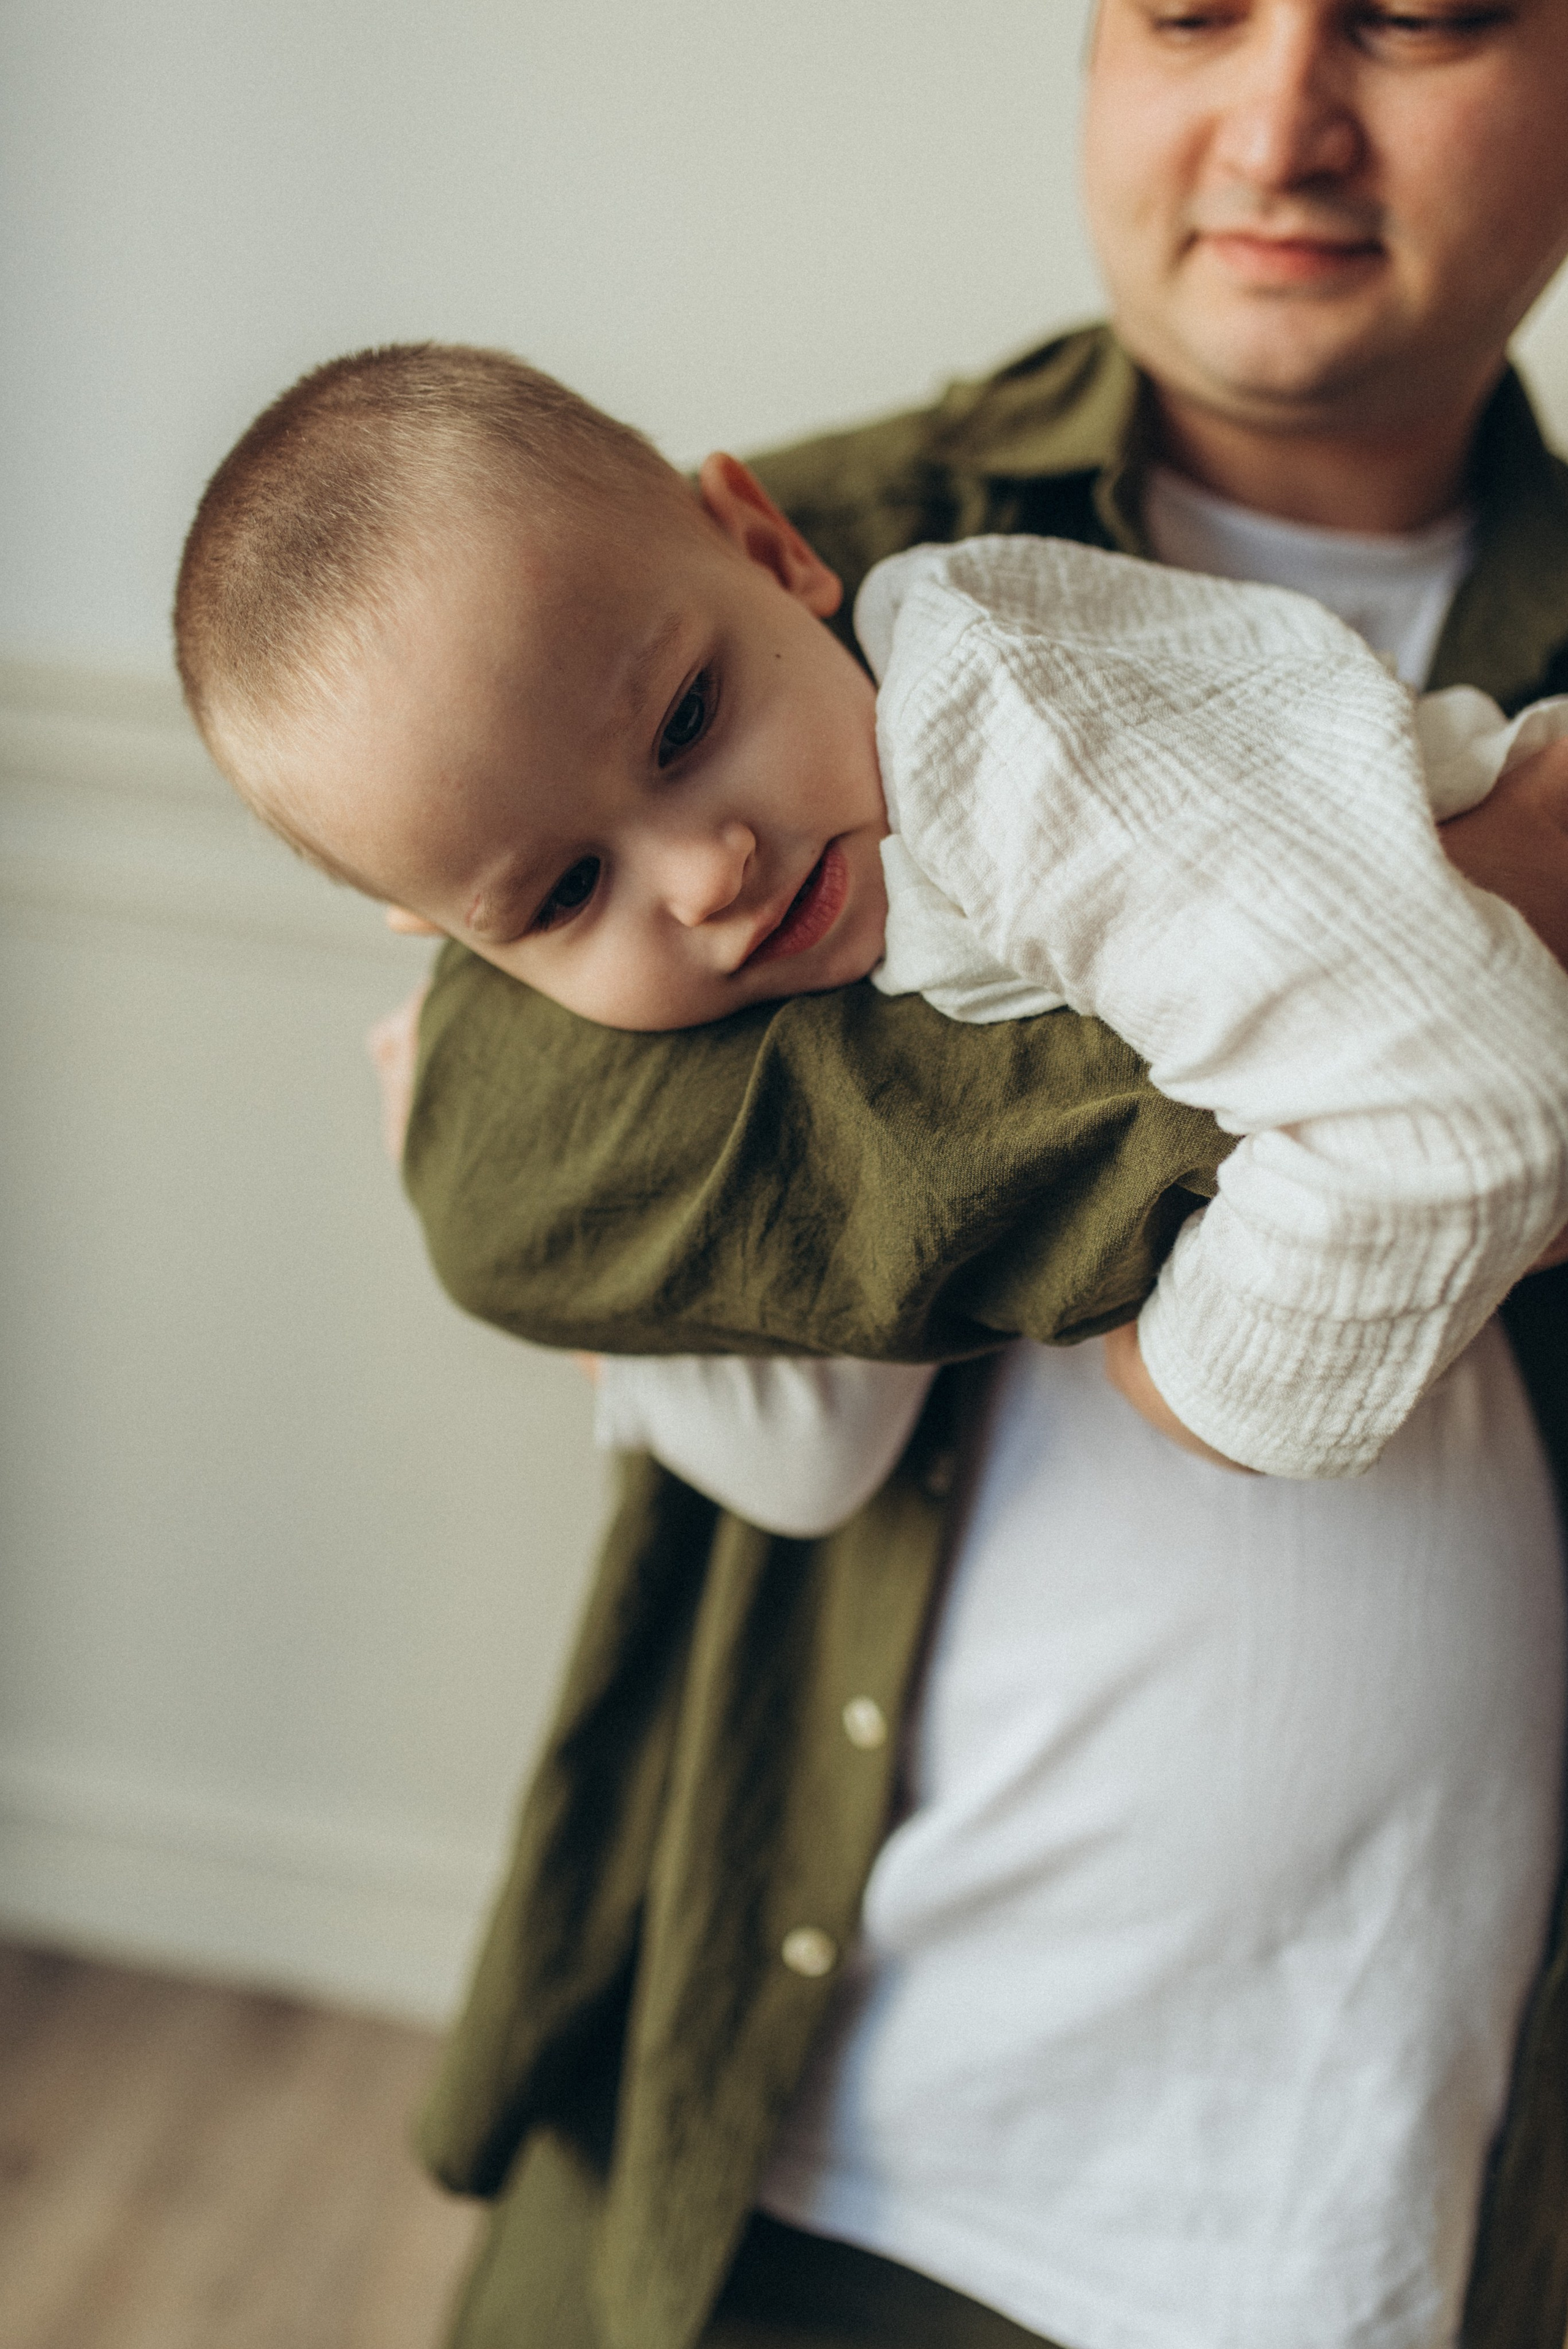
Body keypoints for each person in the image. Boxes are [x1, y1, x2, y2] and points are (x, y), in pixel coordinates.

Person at [326, 4, 1568, 2344]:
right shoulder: (756, 562)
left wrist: (1384, 1027)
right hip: (806, 2079)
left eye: (1420, 15)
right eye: (1191, 11)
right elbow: (508, 1151)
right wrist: (1432, 957)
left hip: (1370, 2157)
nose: (1282, 116)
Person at [173, 340, 1568, 1481]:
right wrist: (598, 1318)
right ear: (456, 946)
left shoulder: (992, 723)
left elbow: (1463, 1101)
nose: (705, 873)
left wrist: (1198, 1383)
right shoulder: (820, 964)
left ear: (770, 547)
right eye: (566, 890)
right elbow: (821, 1456)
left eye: (686, 720)